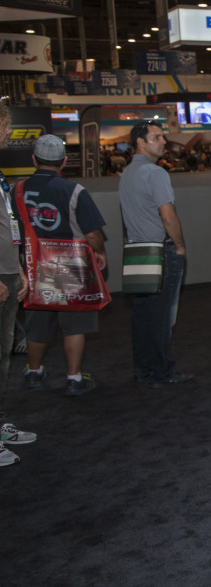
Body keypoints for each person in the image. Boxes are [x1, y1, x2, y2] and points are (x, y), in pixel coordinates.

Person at [17, 135, 107, 397]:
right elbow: (91, 233)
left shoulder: (17, 190)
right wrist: (99, 252)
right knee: (75, 323)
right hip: (70, 264)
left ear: (33, 159)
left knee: (37, 321)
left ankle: (34, 372)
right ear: (64, 162)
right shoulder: (74, 191)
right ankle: (74, 378)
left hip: (33, 264)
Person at [119, 121, 193, 386]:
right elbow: (168, 215)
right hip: (161, 251)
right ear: (141, 141)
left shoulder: (127, 173)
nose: (164, 141)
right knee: (161, 316)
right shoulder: (156, 173)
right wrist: (180, 246)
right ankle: (162, 371)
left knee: (142, 314)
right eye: (157, 136)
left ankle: (143, 367)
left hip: (137, 250)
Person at [0, 102, 33, 466]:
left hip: (9, 271)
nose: (9, 132)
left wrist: (17, 269)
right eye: (5, 126)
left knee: (3, 357)